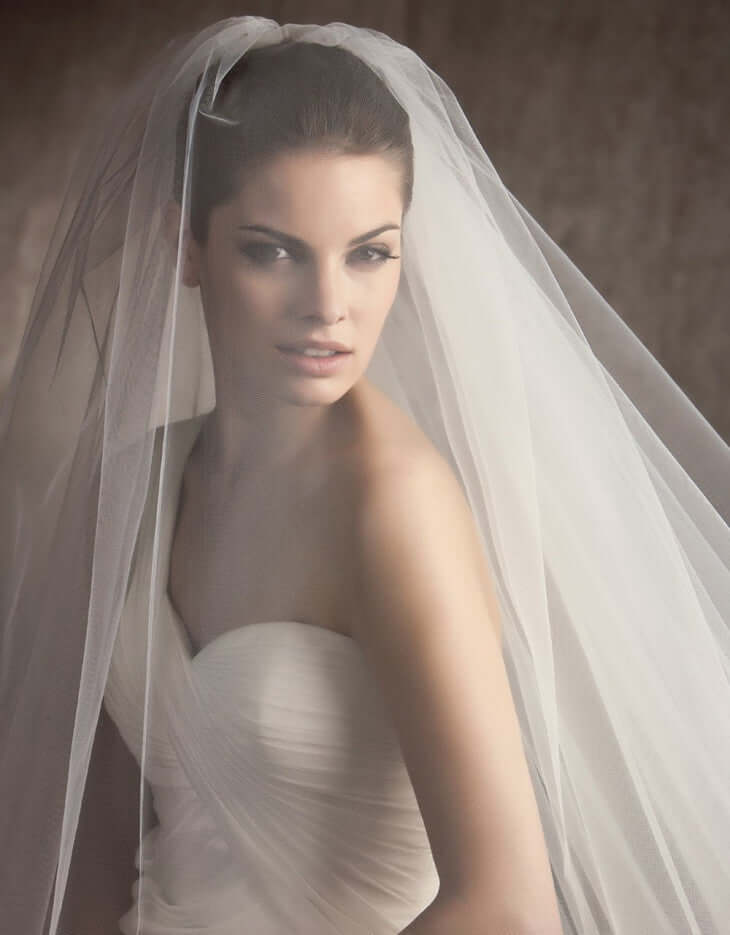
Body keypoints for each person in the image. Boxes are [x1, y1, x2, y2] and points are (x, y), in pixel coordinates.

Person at [1, 17, 728, 935]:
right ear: (187, 246)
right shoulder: (131, 485)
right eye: (273, 250)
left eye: (369, 252)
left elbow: (507, 905)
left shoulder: (395, 506)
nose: (329, 308)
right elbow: (87, 866)